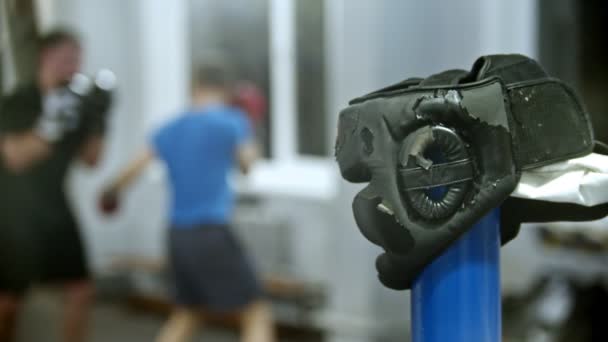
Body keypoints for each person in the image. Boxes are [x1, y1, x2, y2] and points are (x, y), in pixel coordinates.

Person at [102, 61, 275, 342]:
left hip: (177, 235)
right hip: (211, 232)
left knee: (188, 314)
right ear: (226, 89)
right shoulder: (232, 120)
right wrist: (249, 123)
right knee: (256, 311)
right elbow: (247, 165)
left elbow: (132, 170)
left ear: (194, 87)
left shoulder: (169, 127)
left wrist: (109, 193)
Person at [0, 29, 108, 342]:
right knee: (9, 303)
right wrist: (51, 122)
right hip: (14, 210)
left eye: (76, 60)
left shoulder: (76, 105)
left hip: (55, 206)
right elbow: (17, 158)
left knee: (81, 290)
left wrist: (101, 118)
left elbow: (91, 160)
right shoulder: (18, 101)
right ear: (45, 57)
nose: (72, 66)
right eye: (65, 59)